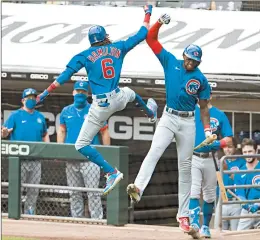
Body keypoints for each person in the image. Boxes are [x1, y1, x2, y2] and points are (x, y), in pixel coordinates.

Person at [37, 5, 157, 196]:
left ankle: (111, 171)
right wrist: (148, 11)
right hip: (117, 97)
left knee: (81, 145)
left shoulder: (84, 55)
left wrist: (45, 92)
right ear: (105, 37)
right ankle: (150, 113)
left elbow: (65, 75)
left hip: (100, 105)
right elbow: (143, 33)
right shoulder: (118, 46)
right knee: (132, 94)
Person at [126, 14, 212, 233]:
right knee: (155, 150)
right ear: (184, 55)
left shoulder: (200, 78)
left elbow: (203, 107)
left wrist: (208, 128)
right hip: (169, 116)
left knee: (185, 169)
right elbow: (151, 40)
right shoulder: (171, 62)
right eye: (189, 58)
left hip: (188, 121)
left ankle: (183, 216)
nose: (190, 62)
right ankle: (138, 187)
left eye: (195, 60)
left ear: (199, 62)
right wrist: (159, 23)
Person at [58, 81, 110, 219]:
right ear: (73, 93)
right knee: (74, 192)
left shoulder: (95, 109)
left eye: (83, 91)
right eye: (78, 91)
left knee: (93, 193)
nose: (80, 94)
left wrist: (107, 152)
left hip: (90, 159)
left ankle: (97, 221)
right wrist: (59, 149)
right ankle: (77, 221)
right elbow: (62, 130)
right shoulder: (66, 111)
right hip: (71, 157)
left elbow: (104, 132)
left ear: (87, 94)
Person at [187, 90, 233, 238]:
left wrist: (218, 144)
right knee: (193, 190)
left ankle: (205, 226)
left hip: (210, 158)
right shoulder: (191, 111)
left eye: (205, 95)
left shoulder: (219, 114)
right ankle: (194, 223)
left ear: (210, 96)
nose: (202, 98)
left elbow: (230, 139)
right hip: (193, 156)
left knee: (209, 195)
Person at [1, 88, 49, 215]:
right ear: (23, 100)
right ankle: (15, 213)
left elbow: (45, 135)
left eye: (34, 98)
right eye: (29, 98)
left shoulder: (40, 117)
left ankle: (29, 214)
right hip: (19, 160)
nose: (31, 100)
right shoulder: (15, 115)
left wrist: (48, 148)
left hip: (35, 159)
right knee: (17, 189)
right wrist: (4, 132)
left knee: (33, 190)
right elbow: (5, 133)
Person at [214, 137, 245, 231]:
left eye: (230, 147)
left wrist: (227, 170)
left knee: (235, 233)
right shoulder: (219, 161)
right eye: (225, 147)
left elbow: (241, 181)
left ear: (235, 147)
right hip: (221, 200)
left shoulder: (242, 162)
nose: (227, 149)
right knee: (218, 232)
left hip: (236, 201)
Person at [235, 138, 260, 230]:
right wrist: (245, 204)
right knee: (238, 236)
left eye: (250, 151)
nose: (247, 154)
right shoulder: (240, 172)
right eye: (245, 152)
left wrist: (258, 205)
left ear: (256, 150)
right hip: (247, 210)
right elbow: (240, 194)